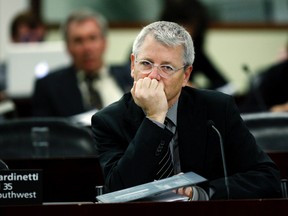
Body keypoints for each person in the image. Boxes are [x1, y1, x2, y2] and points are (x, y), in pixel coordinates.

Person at [91, 21, 282, 200]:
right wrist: (155, 119)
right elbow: (119, 192)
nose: (154, 76)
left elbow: (266, 177)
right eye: (146, 64)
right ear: (133, 65)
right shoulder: (109, 121)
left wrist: (202, 193)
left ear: (186, 75)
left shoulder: (216, 110)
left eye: (166, 67)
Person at [32, 9, 133, 117]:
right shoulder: (49, 86)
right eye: (78, 41)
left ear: (104, 42)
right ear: (68, 47)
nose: (87, 48)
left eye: (92, 38)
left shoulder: (131, 75)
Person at [160, 0, 229, 91]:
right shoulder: (150, 49)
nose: (186, 33)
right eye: (181, 26)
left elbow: (223, 84)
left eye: (190, 27)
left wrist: (196, 90)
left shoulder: (195, 53)